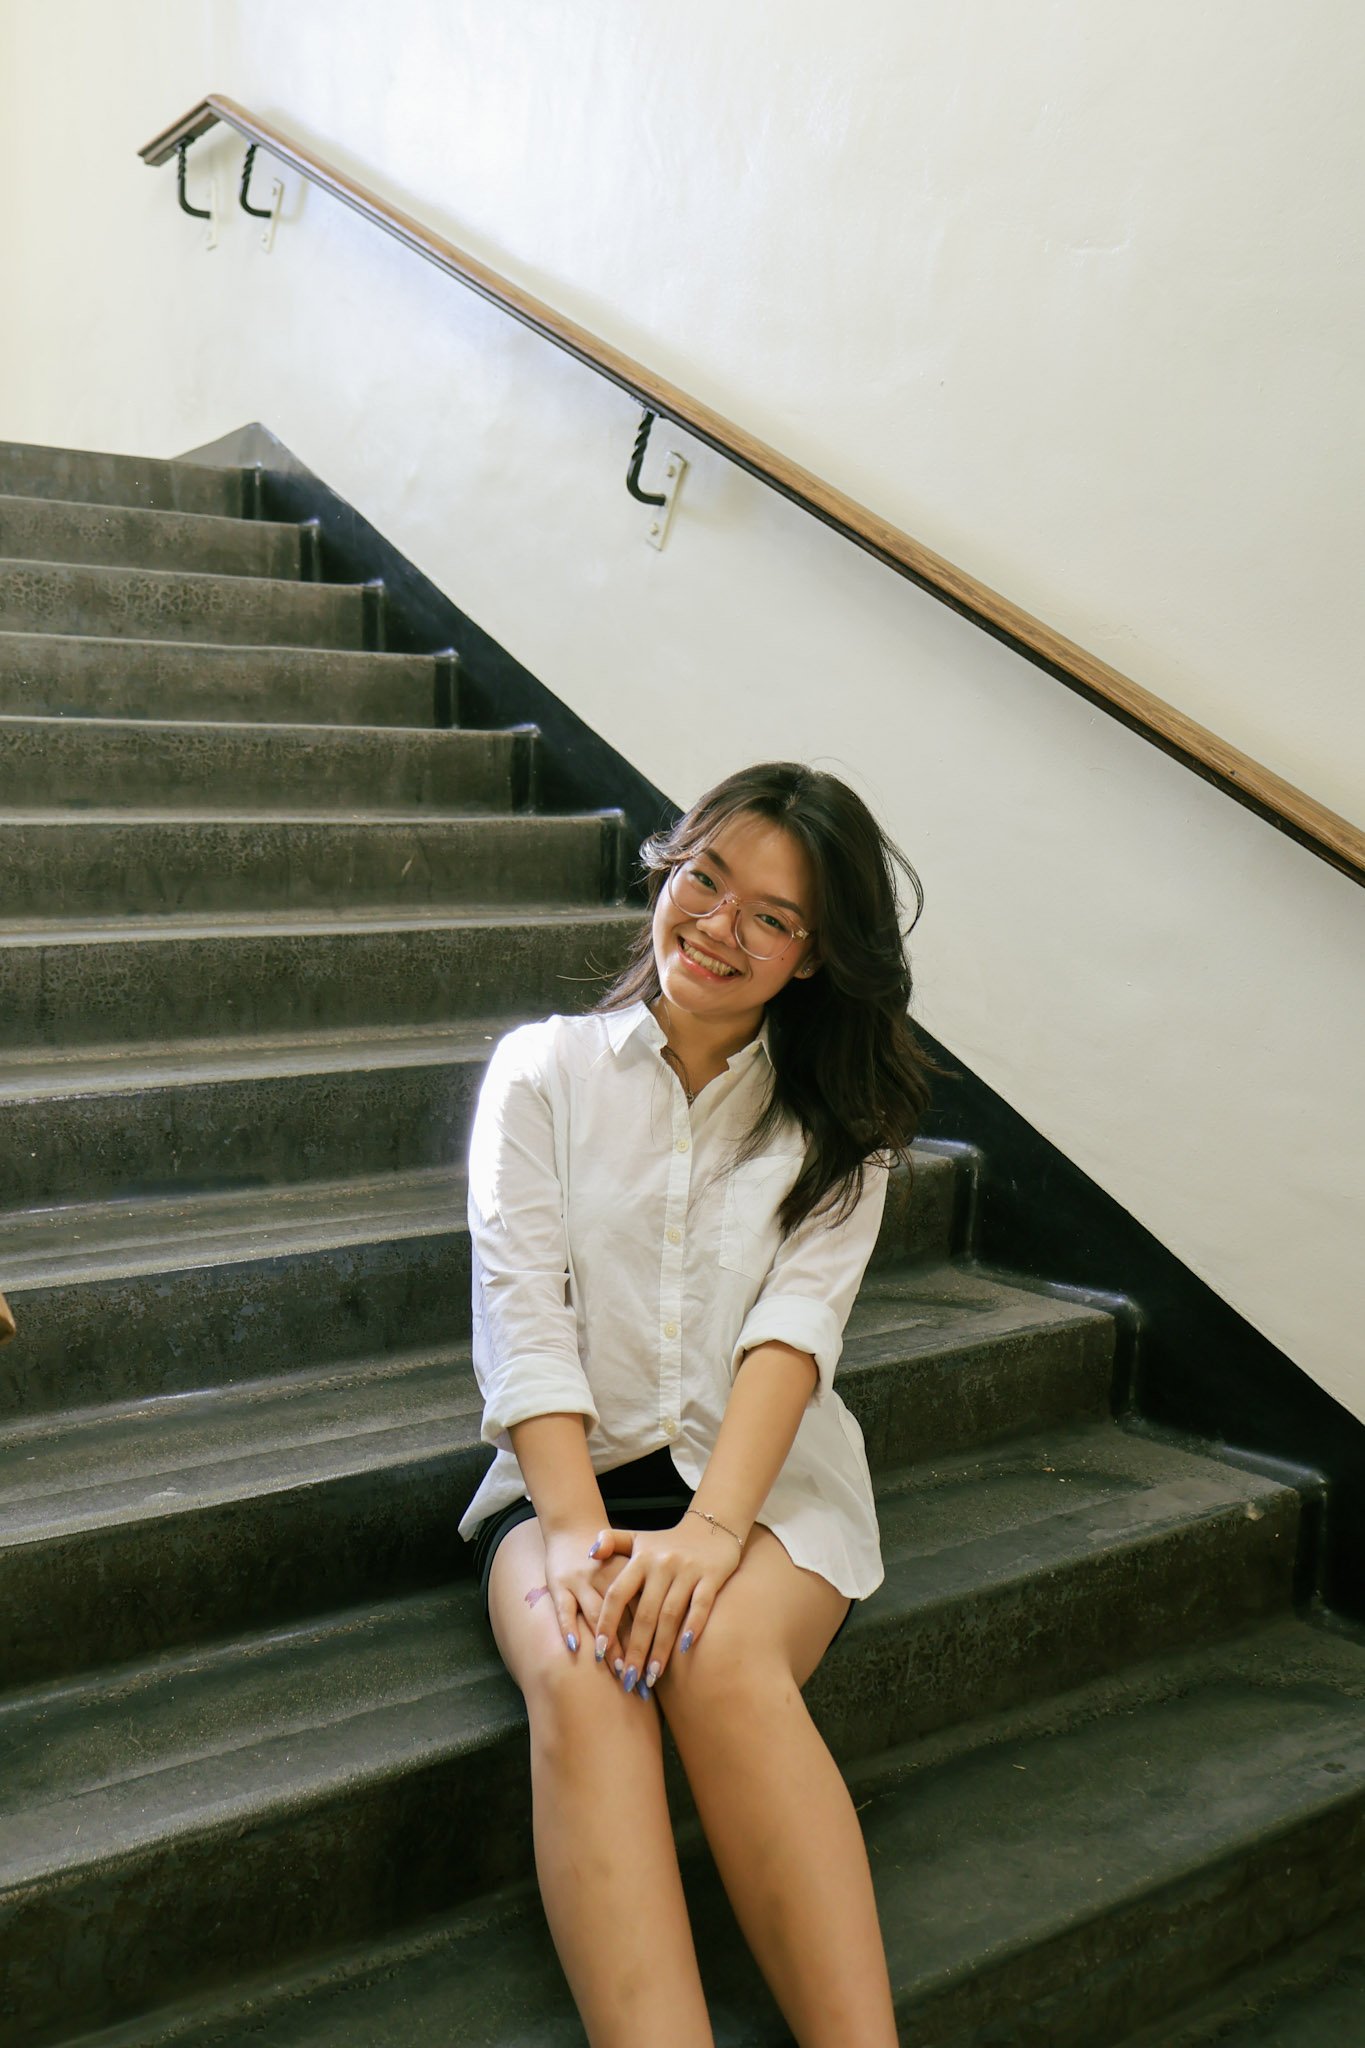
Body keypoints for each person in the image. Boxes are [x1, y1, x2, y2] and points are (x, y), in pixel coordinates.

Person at [457, 760, 942, 2047]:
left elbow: (795, 1336)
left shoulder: (840, 1126)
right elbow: (522, 1310)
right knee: (586, 1662)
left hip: (763, 1491)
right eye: (706, 878)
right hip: (566, 1482)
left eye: (772, 916)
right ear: (669, 868)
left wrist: (714, 1533)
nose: (720, 925)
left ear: (813, 955)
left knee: (717, 1650)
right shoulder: (543, 1070)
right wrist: (575, 1531)